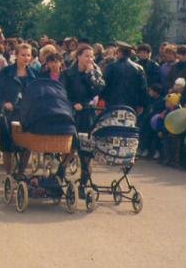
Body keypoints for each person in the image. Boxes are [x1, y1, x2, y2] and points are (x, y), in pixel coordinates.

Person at [59, 44, 104, 193]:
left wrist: (90, 75)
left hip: (87, 113)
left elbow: (98, 90)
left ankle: (84, 184)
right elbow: (61, 93)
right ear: (78, 56)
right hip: (71, 113)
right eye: (86, 56)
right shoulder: (67, 73)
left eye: (91, 56)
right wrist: (72, 104)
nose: (89, 59)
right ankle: (60, 175)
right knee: (69, 147)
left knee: (86, 150)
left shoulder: (94, 72)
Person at [0, 43, 36, 175]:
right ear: (16, 55)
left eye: (28, 55)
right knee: (7, 146)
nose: (25, 58)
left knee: (27, 144)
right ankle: (8, 174)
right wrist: (3, 103)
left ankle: (21, 172)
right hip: (9, 114)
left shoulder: (35, 74)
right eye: (22, 55)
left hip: (27, 114)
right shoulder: (6, 72)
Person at [101, 42, 147, 112]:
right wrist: (141, 104)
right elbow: (143, 88)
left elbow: (104, 85)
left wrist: (103, 98)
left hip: (112, 104)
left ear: (119, 52)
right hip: (131, 105)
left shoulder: (110, 67)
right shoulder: (139, 68)